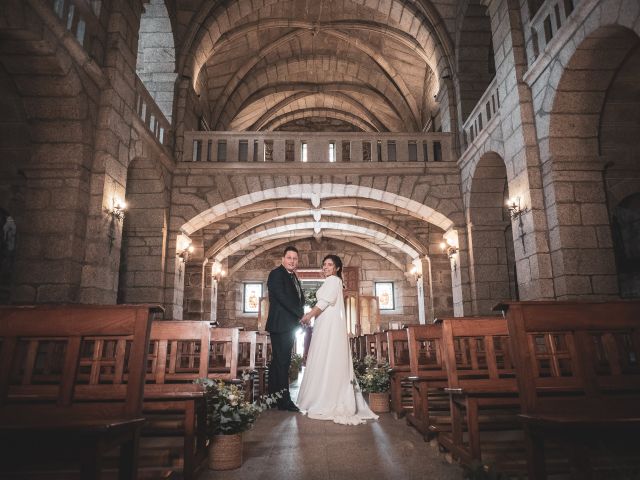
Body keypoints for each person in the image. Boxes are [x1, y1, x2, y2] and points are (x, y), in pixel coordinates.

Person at [297, 254, 378, 425]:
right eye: (324, 264)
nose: (325, 267)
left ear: (337, 268)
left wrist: (308, 316)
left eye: (329, 264)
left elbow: (324, 303)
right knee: (327, 357)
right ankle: (324, 394)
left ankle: (326, 398)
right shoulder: (332, 282)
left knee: (326, 356)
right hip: (326, 323)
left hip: (328, 325)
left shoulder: (333, 280)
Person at [266, 245, 305, 411]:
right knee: (282, 362)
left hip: (288, 324)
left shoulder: (293, 276)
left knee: (279, 362)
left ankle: (273, 397)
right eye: (289, 258)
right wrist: (300, 314)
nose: (292, 261)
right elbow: (282, 298)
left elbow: (297, 298)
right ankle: (284, 400)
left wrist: (301, 313)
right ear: (283, 259)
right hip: (280, 324)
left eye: (295, 258)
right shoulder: (276, 274)